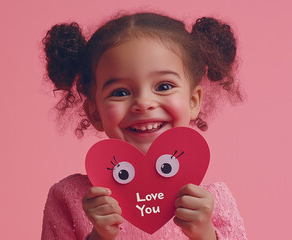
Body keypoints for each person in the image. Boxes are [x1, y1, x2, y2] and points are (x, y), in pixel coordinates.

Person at [41, 12, 246, 240]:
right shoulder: (69, 198)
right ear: (95, 113)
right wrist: (99, 236)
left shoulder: (213, 203)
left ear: (193, 101)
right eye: (120, 92)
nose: (143, 103)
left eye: (164, 86)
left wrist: (205, 234)